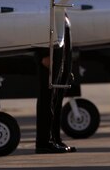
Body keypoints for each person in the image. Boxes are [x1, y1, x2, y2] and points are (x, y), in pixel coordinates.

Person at [34, 14, 76, 154]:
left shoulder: (62, 10)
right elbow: (39, 31)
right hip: (50, 61)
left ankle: (54, 138)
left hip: (60, 63)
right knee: (47, 101)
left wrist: (66, 68)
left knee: (56, 103)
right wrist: (42, 55)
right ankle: (44, 141)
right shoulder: (47, 9)